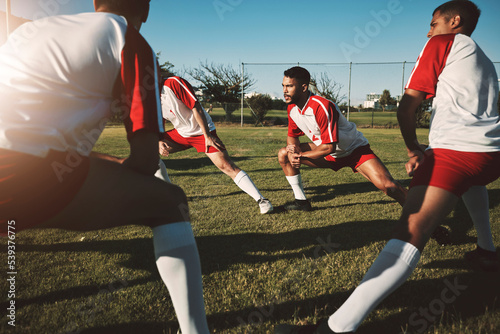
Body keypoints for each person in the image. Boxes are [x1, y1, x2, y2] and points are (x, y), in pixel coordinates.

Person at [275, 1, 500, 333]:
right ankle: (487, 250)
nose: (429, 30)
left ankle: (336, 327)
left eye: (433, 22)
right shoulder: (480, 57)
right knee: (471, 183)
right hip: (490, 154)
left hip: (453, 151)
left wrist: (414, 149)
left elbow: (407, 106)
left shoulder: (442, 43)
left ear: (454, 21)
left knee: (409, 233)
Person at [0, 1, 210, 333]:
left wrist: (106, 165)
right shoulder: (127, 39)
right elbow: (146, 161)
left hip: (24, 161)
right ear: (147, 10)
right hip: (19, 170)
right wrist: (125, 167)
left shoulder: (27, 31)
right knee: (169, 202)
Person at [277, 66, 407, 212]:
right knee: (284, 154)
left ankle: (424, 213)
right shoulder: (292, 108)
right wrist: (293, 151)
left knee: (390, 187)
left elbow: (328, 147)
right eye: (283, 86)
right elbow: (292, 137)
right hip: (328, 154)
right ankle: (301, 202)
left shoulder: (321, 106)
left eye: (289, 86)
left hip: (354, 151)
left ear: (303, 87)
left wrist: (301, 155)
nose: (284, 91)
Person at [157, 75, 274, 214]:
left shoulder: (173, 83)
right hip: (181, 133)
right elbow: (158, 123)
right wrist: (158, 141)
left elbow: (196, 108)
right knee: (147, 149)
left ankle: (263, 201)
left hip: (202, 131)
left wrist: (207, 136)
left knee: (226, 166)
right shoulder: (148, 98)